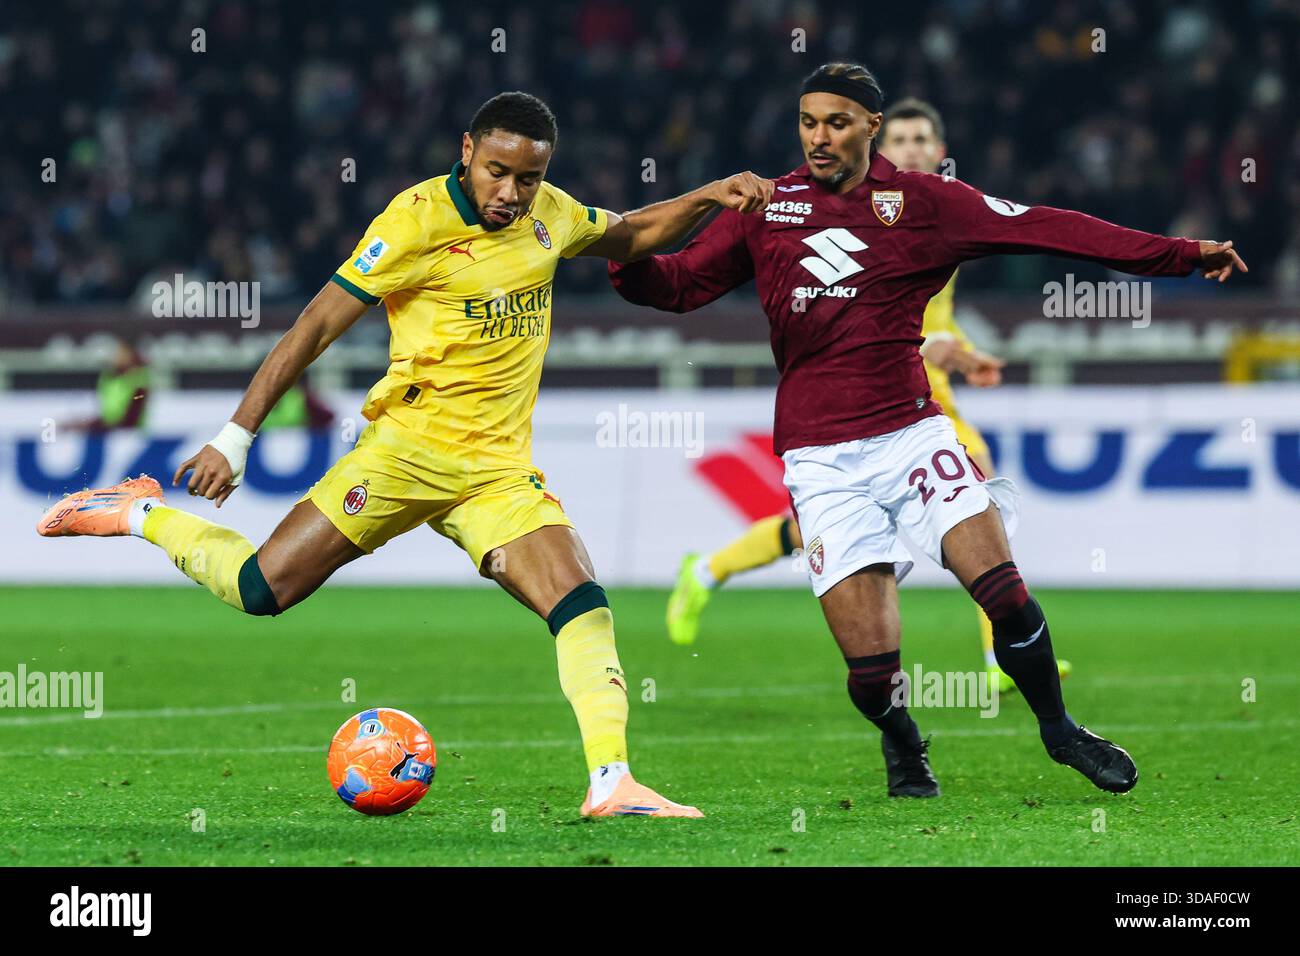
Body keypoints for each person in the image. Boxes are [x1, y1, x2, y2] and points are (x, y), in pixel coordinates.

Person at [37, 91, 773, 818]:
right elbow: (316, 326)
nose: (511, 193)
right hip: (402, 455)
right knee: (262, 590)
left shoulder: (551, 214)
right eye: (496, 171)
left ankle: (611, 783)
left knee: (582, 603)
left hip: (496, 472)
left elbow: (635, 235)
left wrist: (709, 194)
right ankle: (137, 515)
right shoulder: (413, 222)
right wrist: (235, 438)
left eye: (529, 178)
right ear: (467, 152)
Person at [609, 63, 1246, 798]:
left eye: (837, 122)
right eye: (809, 121)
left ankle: (1060, 729)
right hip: (819, 456)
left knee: (1004, 592)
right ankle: (904, 740)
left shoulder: (926, 204)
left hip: (912, 432)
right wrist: (623, 259)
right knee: (871, 676)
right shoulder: (766, 208)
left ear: (870, 128)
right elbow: (680, 285)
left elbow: (1050, 228)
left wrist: (1179, 255)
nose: (819, 137)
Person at [664, 97, 1070, 696]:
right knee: (943, 498)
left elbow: (930, 313)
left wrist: (957, 347)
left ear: (939, 152)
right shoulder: (858, 209)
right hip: (864, 391)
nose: (908, 148)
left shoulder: (937, 209)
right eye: (898, 139)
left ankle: (709, 569)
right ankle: (998, 649)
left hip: (923, 395)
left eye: (920, 139)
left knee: (957, 503)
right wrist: (938, 345)